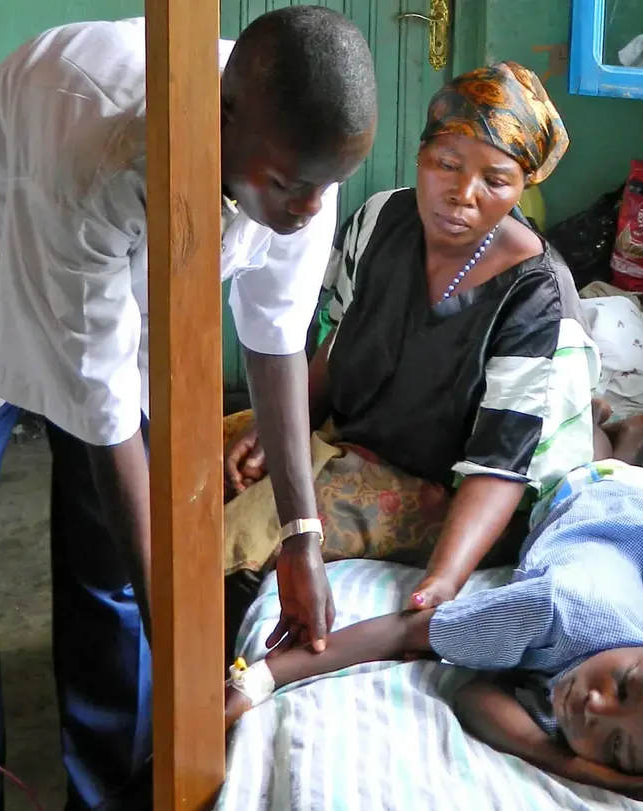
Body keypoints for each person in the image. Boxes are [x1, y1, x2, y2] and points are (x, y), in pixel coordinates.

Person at [0, 9, 376, 810]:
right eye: (291, 186)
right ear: (221, 119)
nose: (311, 208)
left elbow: (277, 331)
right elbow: (100, 411)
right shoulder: (96, 148)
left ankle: (110, 793)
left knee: (112, 565)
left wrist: (301, 534)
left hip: (126, 306)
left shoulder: (304, 140)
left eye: (326, 186)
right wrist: (181, 648)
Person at [223, 409, 643, 803]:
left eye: (618, 748)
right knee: (586, 461)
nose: (593, 707)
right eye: (624, 686)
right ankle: (610, 429)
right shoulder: (551, 608)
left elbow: (475, 695)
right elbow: (405, 631)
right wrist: (258, 681)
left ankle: (628, 437)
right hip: (602, 505)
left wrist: (565, 760)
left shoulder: (630, 704)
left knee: (619, 475)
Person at [222, 62, 600, 628]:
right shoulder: (380, 220)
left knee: (251, 531)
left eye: (496, 181)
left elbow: (500, 467)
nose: (462, 195)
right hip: (352, 439)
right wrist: (281, 426)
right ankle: (613, 429)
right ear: (421, 154)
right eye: (446, 164)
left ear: (523, 187)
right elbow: (338, 342)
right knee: (201, 462)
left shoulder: (536, 296)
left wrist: (442, 582)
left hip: (452, 492)